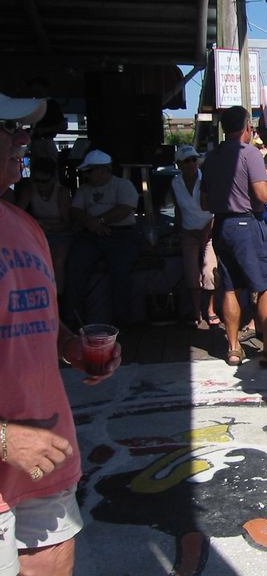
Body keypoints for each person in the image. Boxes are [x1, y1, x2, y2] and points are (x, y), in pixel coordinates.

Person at [0, 92, 121, 576]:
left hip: (44, 456)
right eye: (9, 128)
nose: (24, 138)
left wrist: (71, 346)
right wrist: (5, 440)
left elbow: (38, 321)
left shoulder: (23, 225)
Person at [201, 106, 267, 367]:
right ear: (246, 128)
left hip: (221, 225)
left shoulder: (212, 157)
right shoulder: (249, 152)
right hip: (247, 224)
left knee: (230, 287)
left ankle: (233, 348)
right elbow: (263, 194)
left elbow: (204, 203)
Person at [64, 149, 141, 327]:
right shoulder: (84, 189)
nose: (87, 175)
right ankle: (72, 317)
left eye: (89, 171)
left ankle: (122, 322)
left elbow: (125, 208)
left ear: (102, 170)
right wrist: (91, 223)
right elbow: (75, 210)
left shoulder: (123, 185)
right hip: (91, 234)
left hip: (121, 234)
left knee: (121, 272)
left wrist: (99, 221)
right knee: (75, 266)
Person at [171, 144, 219, 327]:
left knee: (211, 272)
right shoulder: (175, 183)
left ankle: (211, 310)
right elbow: (178, 208)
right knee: (191, 274)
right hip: (188, 231)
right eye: (186, 161)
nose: (191, 163)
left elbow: (216, 207)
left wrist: (208, 229)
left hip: (210, 229)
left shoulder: (207, 179)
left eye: (193, 159)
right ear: (179, 164)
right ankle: (196, 310)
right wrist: (178, 230)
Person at [14, 156, 72, 294]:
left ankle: (57, 298)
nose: (40, 185)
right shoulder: (30, 190)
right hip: (37, 234)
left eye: (44, 181)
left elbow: (68, 222)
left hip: (60, 235)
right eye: (36, 180)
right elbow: (17, 214)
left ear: (53, 179)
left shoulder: (61, 192)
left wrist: (46, 226)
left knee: (57, 261)